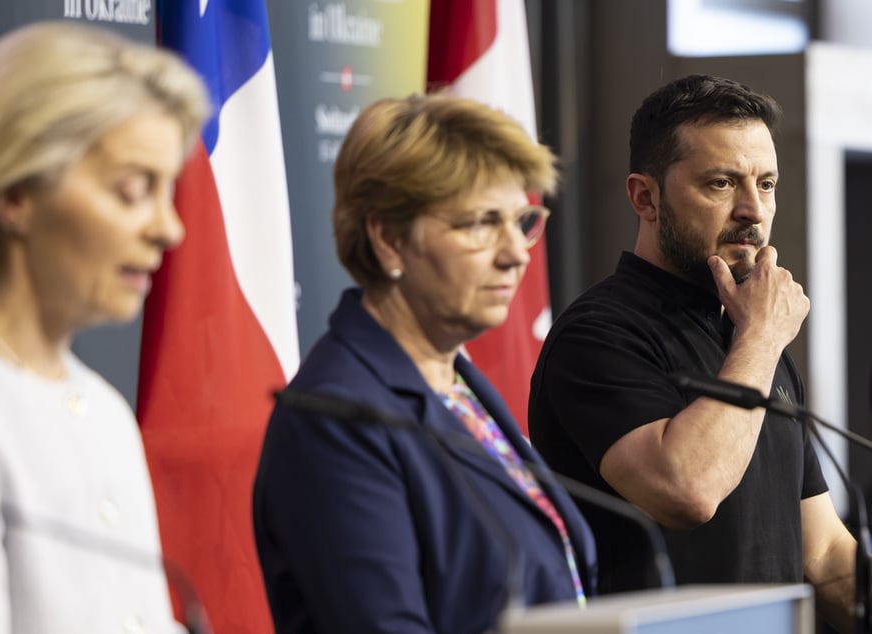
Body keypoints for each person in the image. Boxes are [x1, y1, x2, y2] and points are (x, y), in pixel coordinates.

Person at [253, 93, 597, 633]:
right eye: (482, 223)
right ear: (389, 238)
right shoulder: (337, 418)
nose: (517, 253)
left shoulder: (458, 386)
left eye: (522, 220)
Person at [528, 74, 855, 631]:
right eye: (723, 184)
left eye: (768, 184)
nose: (754, 210)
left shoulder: (752, 335)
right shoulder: (599, 333)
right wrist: (762, 340)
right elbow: (687, 490)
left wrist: (757, 339)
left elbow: (821, 554)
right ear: (645, 197)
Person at [0, 21, 209, 633]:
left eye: (168, 192)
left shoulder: (103, 410)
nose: (169, 229)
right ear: (17, 194)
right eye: (134, 191)